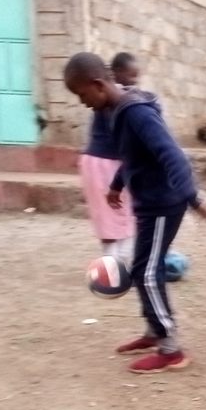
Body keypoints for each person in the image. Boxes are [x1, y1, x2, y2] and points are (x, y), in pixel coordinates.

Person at [63, 52, 206, 374]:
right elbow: (132, 156)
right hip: (148, 203)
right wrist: (117, 185)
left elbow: (172, 155)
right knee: (143, 268)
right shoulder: (114, 111)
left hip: (164, 203)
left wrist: (193, 198)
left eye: (82, 94)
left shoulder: (137, 113)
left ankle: (171, 349)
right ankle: (154, 331)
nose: (82, 102)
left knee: (146, 272)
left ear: (98, 84)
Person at [79, 62, 134, 262]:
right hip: (109, 164)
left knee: (109, 215)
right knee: (121, 212)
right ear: (116, 74)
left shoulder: (108, 98)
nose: (134, 81)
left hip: (94, 163)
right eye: (132, 76)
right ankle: (116, 262)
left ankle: (113, 260)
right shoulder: (119, 99)